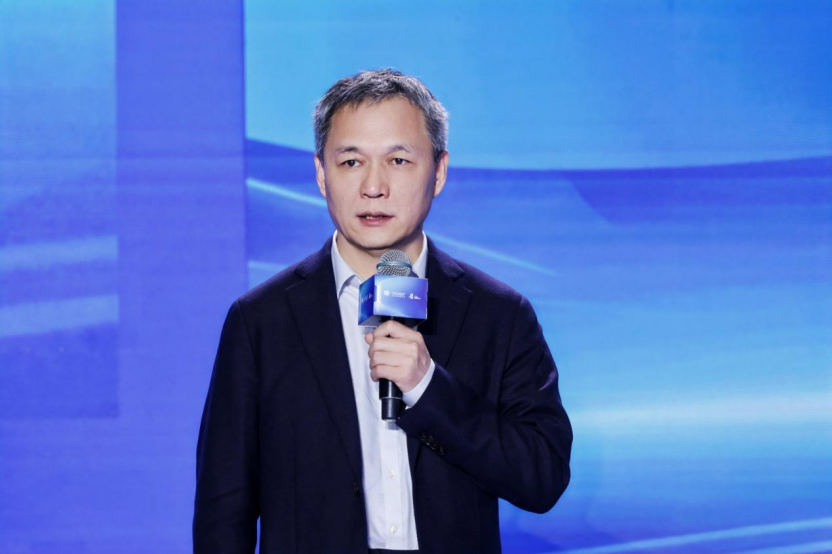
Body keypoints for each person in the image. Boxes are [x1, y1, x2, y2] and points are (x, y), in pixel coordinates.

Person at [193, 69, 572, 554]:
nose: (374, 186)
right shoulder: (261, 322)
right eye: (351, 161)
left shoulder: (499, 315)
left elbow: (542, 477)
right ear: (321, 174)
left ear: (438, 172)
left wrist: (428, 387)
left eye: (398, 160)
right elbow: (222, 512)